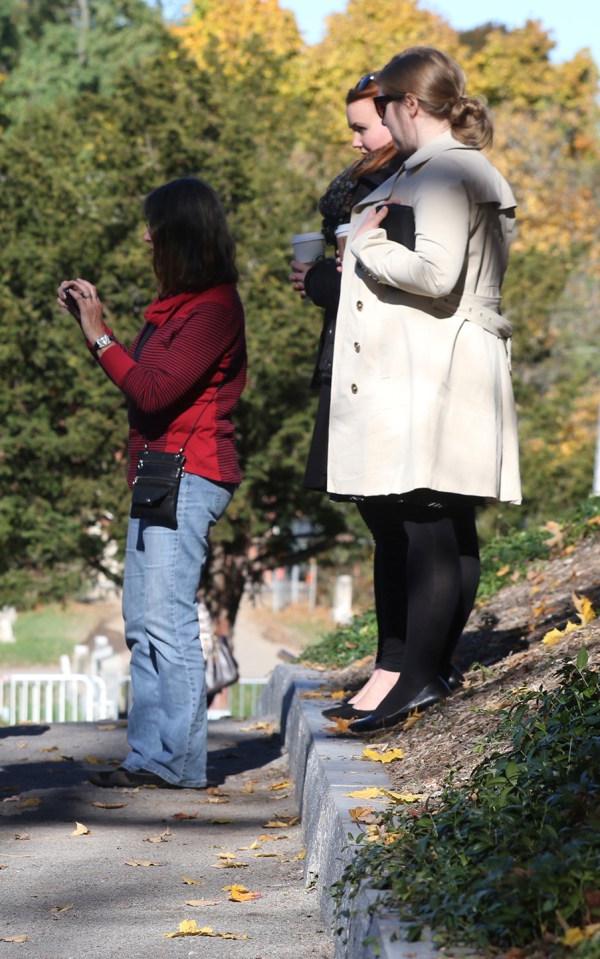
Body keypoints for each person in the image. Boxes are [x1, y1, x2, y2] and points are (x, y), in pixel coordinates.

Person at [328, 46, 520, 733]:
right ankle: (422, 671)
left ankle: (419, 677)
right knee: (430, 519)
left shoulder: (447, 171)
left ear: (410, 106)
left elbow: (437, 275)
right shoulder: (440, 167)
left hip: (442, 369)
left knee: (430, 519)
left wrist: (365, 246)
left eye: (384, 109)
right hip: (432, 366)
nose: (377, 122)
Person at [59, 177, 247, 789]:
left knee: (166, 621)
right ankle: (149, 756)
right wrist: (102, 332)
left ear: (180, 236)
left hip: (192, 471)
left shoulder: (215, 310)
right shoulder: (176, 311)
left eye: (153, 229)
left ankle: (179, 762)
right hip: (161, 474)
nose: (145, 238)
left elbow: (151, 389)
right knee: (142, 623)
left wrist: (99, 333)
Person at [286, 74, 404, 719]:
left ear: (401, 115)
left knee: (409, 522)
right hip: (348, 359)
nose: (351, 138)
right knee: (381, 521)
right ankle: (391, 665)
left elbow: (387, 289)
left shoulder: (412, 184)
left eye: (362, 125)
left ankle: (406, 668)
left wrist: (329, 284)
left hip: (385, 368)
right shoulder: (360, 188)